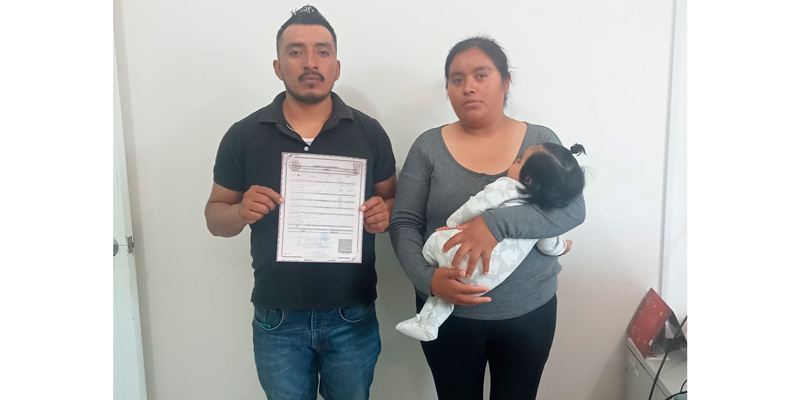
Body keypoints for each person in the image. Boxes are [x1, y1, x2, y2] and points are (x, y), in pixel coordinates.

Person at [204, 6, 397, 400]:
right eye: (296, 52)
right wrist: (239, 212)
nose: (310, 62)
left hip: (352, 314)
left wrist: (386, 213)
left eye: (322, 51)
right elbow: (214, 217)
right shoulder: (243, 135)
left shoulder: (370, 132)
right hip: (277, 318)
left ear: (337, 67)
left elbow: (393, 200)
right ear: (278, 67)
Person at [389, 36, 586, 399]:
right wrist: (428, 279)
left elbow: (573, 209)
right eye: (457, 79)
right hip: (448, 315)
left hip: (529, 312)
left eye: (481, 75)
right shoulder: (428, 147)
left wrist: (494, 224)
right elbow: (404, 222)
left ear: (506, 81)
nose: (468, 87)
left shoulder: (540, 142)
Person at [395, 143, 587, 341]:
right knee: (454, 287)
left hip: (464, 258)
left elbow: (475, 206)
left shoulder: (507, 186)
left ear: (528, 179)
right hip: (487, 282)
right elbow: (548, 245)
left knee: (437, 246)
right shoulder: (546, 208)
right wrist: (563, 246)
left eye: (519, 161)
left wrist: (453, 224)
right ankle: (428, 323)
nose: (514, 161)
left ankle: (427, 321)